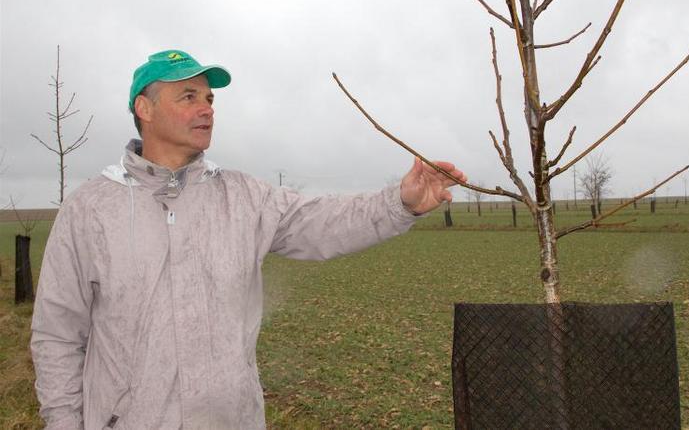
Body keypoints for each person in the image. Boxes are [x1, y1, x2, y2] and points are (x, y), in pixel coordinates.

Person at [30, 50, 466, 429]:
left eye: (209, 98)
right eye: (188, 97)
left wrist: (400, 203)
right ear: (144, 108)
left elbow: (326, 220)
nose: (207, 109)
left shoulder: (243, 198)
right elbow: (58, 335)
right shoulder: (90, 209)